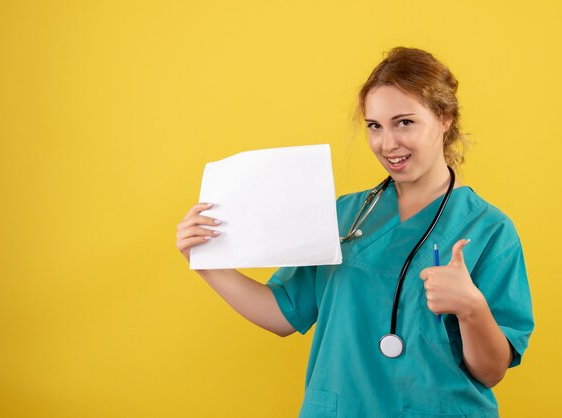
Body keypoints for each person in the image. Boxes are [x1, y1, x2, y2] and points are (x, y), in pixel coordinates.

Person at [176, 47, 534, 417]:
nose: (387, 143)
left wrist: (471, 307)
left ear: (444, 118)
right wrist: (206, 264)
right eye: (374, 126)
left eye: (405, 122)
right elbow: (283, 314)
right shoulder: (344, 215)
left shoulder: (489, 231)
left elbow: (490, 372)